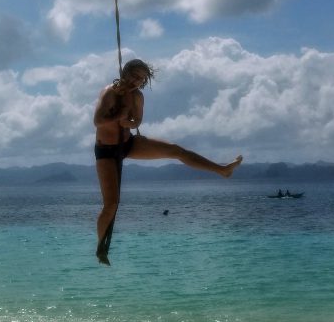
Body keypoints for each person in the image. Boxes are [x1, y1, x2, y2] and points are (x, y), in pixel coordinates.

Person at [93, 58, 243, 264]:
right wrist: (118, 115)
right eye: (134, 76)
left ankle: (222, 169)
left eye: (141, 79)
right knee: (111, 204)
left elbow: (137, 121)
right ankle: (101, 248)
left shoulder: (137, 96)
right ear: (124, 72)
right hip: (107, 151)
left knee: (176, 150)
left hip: (128, 144)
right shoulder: (110, 92)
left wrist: (127, 120)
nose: (136, 81)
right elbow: (98, 121)